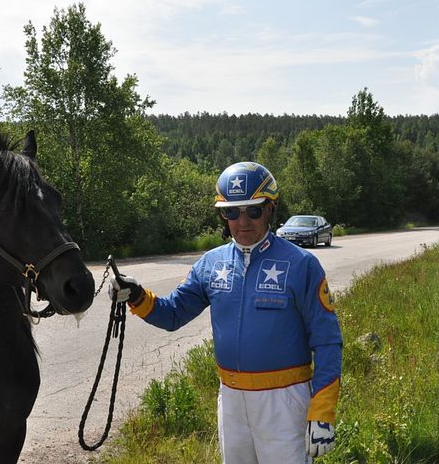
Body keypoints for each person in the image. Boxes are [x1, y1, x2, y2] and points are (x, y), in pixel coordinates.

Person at [109, 162, 342, 463]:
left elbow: (327, 341)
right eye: (231, 212)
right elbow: (173, 314)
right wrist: (138, 295)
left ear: (270, 209)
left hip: (284, 401)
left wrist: (322, 411)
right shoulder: (210, 263)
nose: (242, 221)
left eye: (253, 210)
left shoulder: (301, 265)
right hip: (231, 399)